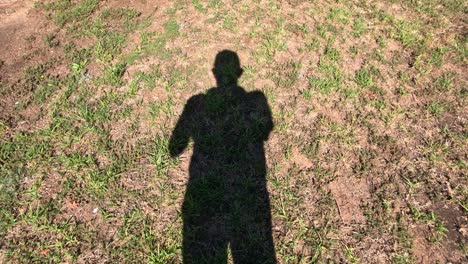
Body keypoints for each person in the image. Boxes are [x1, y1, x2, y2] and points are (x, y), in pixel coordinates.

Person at [169, 50, 276, 263]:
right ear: (239, 72)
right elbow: (265, 130)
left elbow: (175, 147)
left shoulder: (197, 103)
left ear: (214, 72)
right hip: (246, 191)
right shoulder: (255, 100)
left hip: (206, 191)